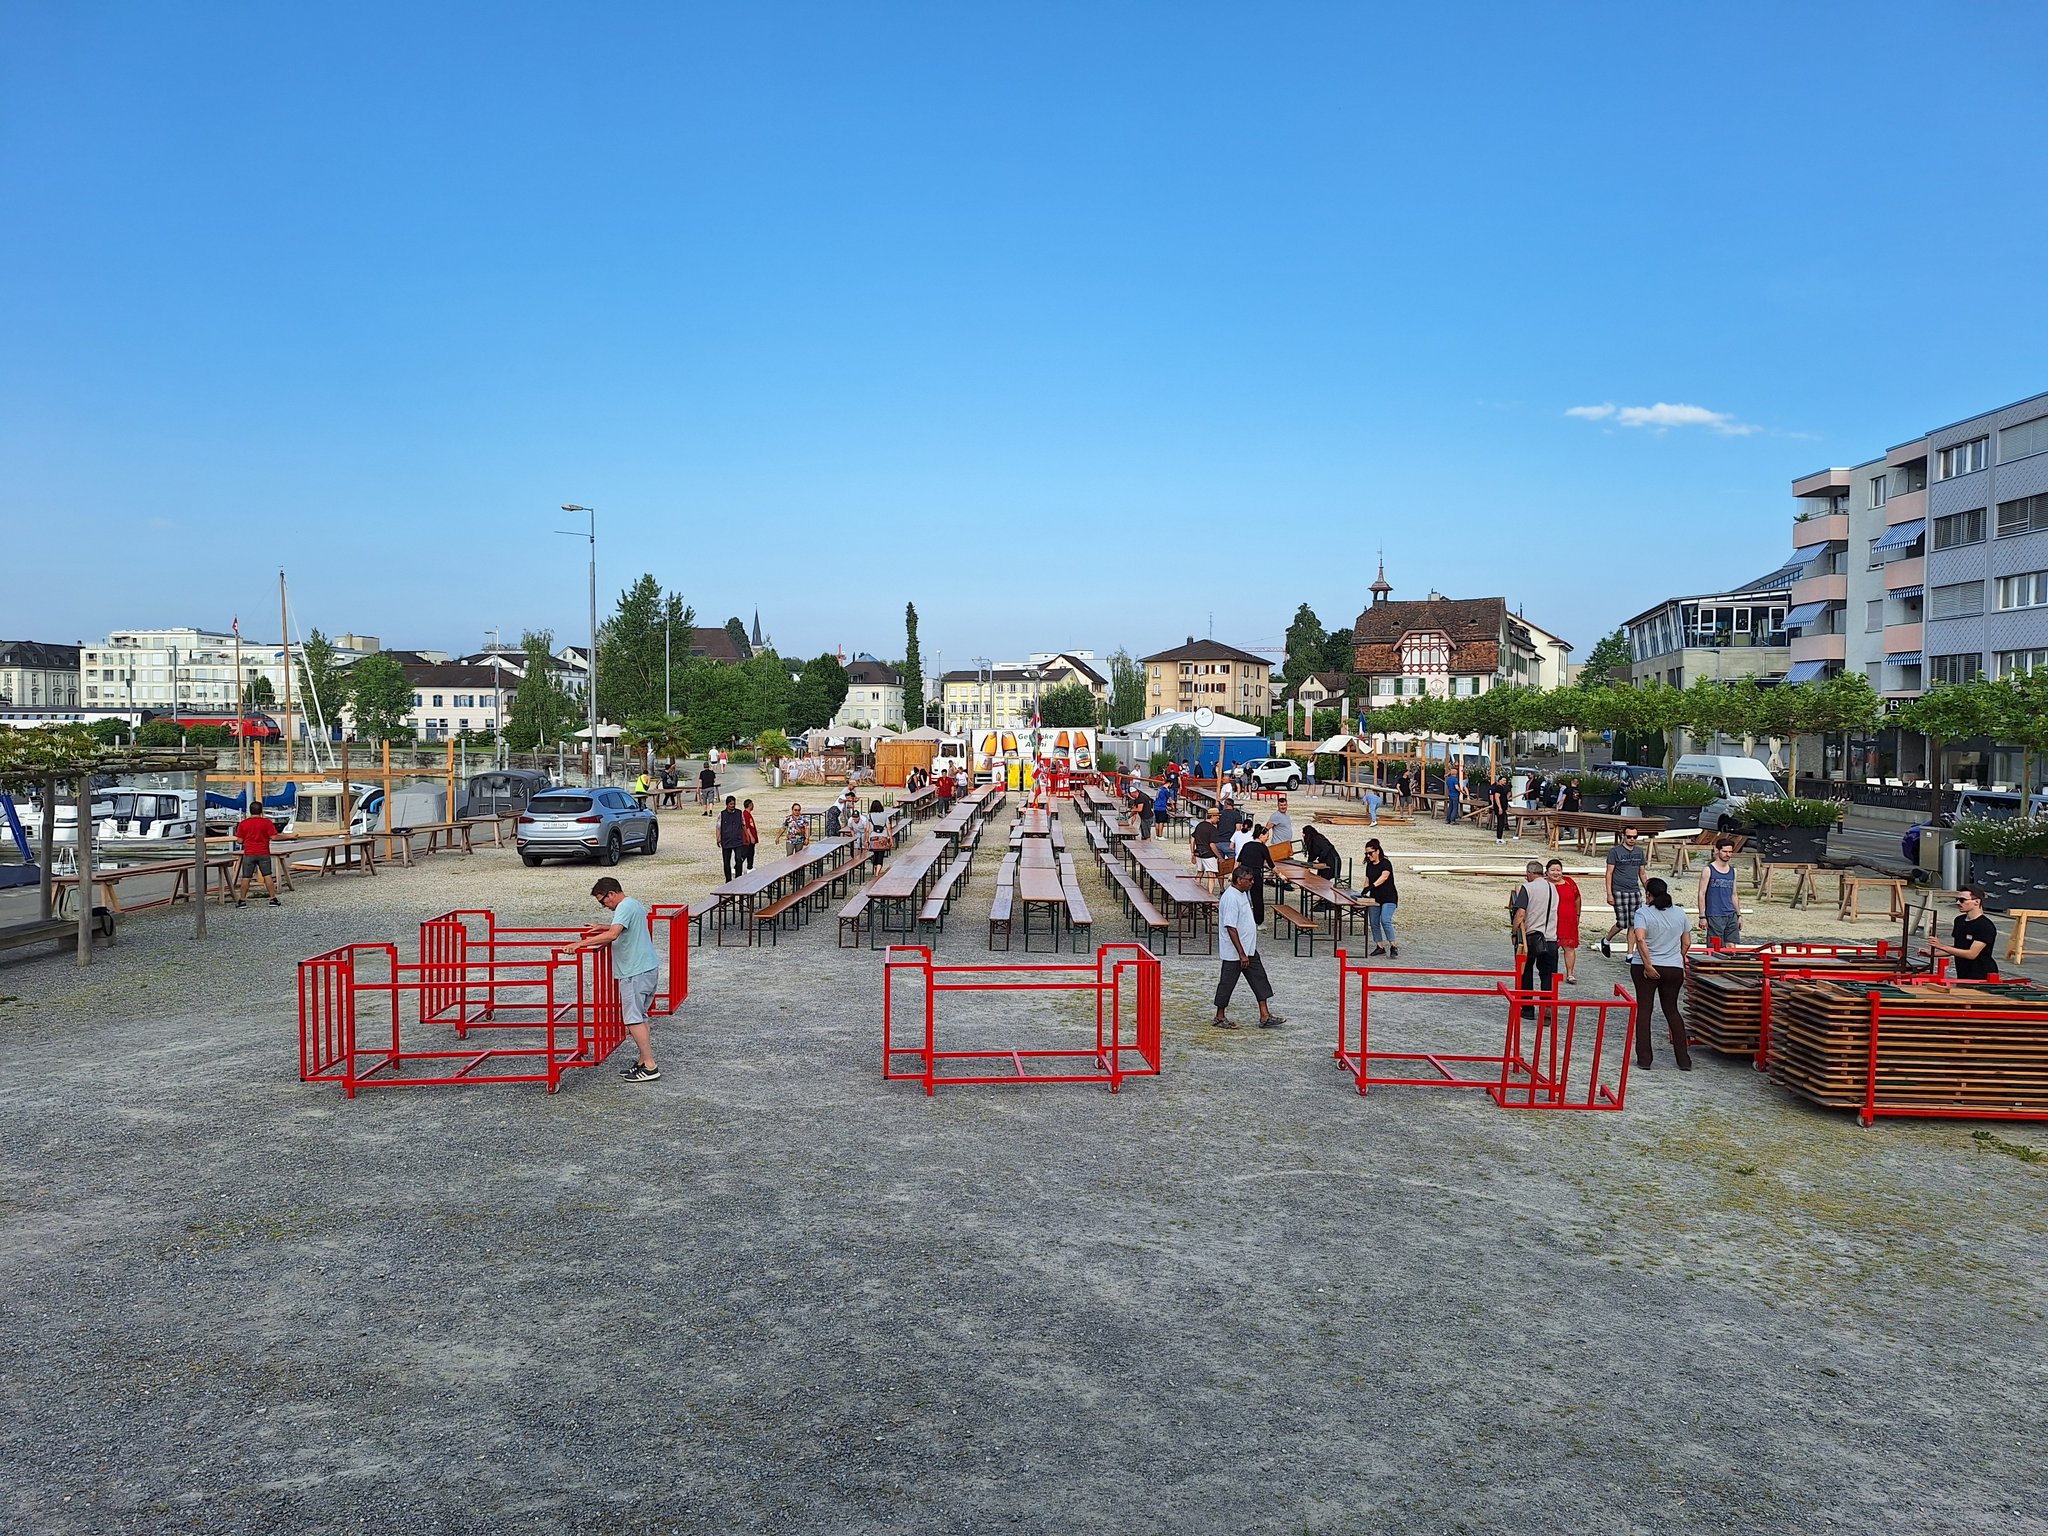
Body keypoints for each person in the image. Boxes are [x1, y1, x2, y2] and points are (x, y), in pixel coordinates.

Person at [573, 877, 662, 1082]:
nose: (604, 906)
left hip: (634, 971)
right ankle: (643, 1061)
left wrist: (579, 944)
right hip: (646, 967)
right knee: (640, 1016)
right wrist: (602, 926)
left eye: (603, 901)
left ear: (611, 894)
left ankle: (650, 1065)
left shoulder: (623, 907)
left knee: (633, 1019)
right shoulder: (633, 904)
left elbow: (613, 935)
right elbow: (622, 928)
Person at [1629, 876, 1693, 1070]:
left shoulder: (1643, 913)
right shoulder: (1680, 913)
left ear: (1648, 894)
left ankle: (1645, 1059)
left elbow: (1640, 939)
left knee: (1645, 1010)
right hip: (1673, 967)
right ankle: (1683, 1059)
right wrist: (1676, 957)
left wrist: (1648, 965)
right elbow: (1687, 942)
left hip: (1646, 966)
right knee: (1672, 1011)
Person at [1213, 864, 1285, 1029]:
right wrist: (1241, 954)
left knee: (1259, 979)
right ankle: (1219, 1016)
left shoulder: (1242, 893)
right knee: (1227, 983)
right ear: (1239, 880)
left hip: (1248, 948)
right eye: (1249, 880)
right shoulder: (1231, 898)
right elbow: (1230, 927)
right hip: (1235, 952)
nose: (1252, 882)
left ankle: (1265, 1015)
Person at [1510, 860, 1559, 1018]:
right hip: (1550, 937)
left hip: (1532, 937)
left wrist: (1514, 932)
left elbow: (1520, 913)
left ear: (1530, 873)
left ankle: (1527, 1009)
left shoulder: (1528, 888)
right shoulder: (1553, 888)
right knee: (1548, 976)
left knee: (1526, 972)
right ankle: (1546, 1010)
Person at [1923, 886, 2000, 980]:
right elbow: (1958, 947)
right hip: (1963, 974)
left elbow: (1971, 954)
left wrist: (1941, 946)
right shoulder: (1959, 920)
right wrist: (1933, 953)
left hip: (1982, 975)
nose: (1958, 903)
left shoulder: (1985, 926)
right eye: (1957, 899)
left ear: (1976, 902)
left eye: (1962, 900)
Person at [1600, 826, 1650, 958]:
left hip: (1634, 890)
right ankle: (1606, 940)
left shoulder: (1639, 852)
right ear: (1623, 836)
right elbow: (1609, 873)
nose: (1632, 839)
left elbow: (1642, 873)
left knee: (1634, 923)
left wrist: (1648, 890)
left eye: (1635, 837)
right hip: (1619, 890)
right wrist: (1609, 893)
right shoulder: (1615, 852)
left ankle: (1629, 954)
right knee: (1622, 922)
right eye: (1629, 836)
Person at [231, 805, 283, 907]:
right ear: (261, 811)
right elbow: (274, 837)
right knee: (267, 875)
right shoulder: (267, 823)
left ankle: (242, 900)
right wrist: (290, 836)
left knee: (246, 877)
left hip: (249, 853)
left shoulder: (243, 823)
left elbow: (240, 840)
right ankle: (273, 899)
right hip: (263, 852)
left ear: (250, 811)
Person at [1696, 837, 1743, 947]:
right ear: (1717, 850)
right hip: (1714, 914)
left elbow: (1734, 894)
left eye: (1730, 852)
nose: (1728, 854)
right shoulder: (1708, 870)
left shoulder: (1733, 871)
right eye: (1725, 851)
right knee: (1715, 947)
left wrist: (1739, 915)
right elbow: (1701, 893)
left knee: (1731, 946)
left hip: (1731, 914)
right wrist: (1702, 916)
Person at [1545, 857, 1581, 983]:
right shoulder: (1544, 884)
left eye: (1558, 870)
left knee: (1569, 947)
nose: (1556, 873)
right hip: (1550, 920)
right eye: (1553, 870)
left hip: (1568, 920)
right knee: (1550, 948)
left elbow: (1577, 898)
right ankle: (1549, 973)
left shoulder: (1569, 882)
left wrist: (1578, 915)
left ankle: (1570, 974)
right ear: (1547, 872)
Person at [1361, 839, 1398, 957]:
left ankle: (1393, 945)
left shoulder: (1385, 863)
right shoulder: (1369, 865)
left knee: (1385, 920)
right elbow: (1367, 879)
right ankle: (1380, 946)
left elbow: (1384, 877)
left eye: (1370, 853)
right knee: (1373, 922)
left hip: (1388, 897)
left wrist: (1372, 886)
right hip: (1375, 898)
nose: (1368, 856)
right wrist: (1364, 890)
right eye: (1366, 853)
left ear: (1377, 851)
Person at [1236, 823, 1274, 924]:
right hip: (1255, 875)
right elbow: (1271, 864)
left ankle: (1240, 918)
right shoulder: (1263, 848)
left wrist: (1233, 873)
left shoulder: (1247, 845)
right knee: (1257, 898)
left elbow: (1238, 860)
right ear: (1261, 835)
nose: (1267, 838)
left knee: (1241, 896)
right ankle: (1258, 921)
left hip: (1243, 874)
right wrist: (1280, 874)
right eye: (1267, 836)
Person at [715, 795, 746, 881]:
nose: (733, 805)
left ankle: (738, 878)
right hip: (726, 840)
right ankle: (728, 879)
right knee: (726, 861)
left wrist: (747, 836)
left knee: (739, 859)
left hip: (737, 840)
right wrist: (718, 838)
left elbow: (743, 825)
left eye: (734, 804)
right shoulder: (722, 814)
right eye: (731, 804)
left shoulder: (739, 813)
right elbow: (718, 827)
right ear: (727, 804)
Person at [1191, 806, 1222, 876]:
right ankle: (1209, 885)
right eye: (1217, 818)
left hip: (1199, 853)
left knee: (1199, 873)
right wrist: (1219, 857)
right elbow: (1212, 845)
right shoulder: (1212, 829)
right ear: (1212, 816)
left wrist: (1192, 853)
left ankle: (1196, 883)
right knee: (1211, 875)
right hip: (1209, 855)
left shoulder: (1199, 825)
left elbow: (1192, 839)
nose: (1218, 820)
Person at [867, 799, 892, 871]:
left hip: (873, 836)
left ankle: (875, 869)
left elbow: (867, 829)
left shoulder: (869, 815)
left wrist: (866, 839)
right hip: (883, 836)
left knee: (875, 854)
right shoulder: (884, 815)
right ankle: (877, 872)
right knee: (881, 855)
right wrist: (890, 838)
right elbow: (888, 828)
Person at [1268, 797, 1295, 863]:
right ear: (1278, 806)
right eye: (1281, 805)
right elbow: (1267, 828)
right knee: (1280, 864)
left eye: (1284, 805)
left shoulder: (1287, 815)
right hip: (1279, 845)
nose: (1283, 807)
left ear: (1287, 805)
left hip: (1286, 844)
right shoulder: (1275, 816)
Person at [1489, 774, 1512, 844]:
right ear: (1499, 781)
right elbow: (1496, 797)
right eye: (1503, 780)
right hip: (1500, 807)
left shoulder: (1503, 787)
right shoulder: (1498, 787)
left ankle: (1500, 837)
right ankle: (1499, 838)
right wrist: (1499, 807)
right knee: (1500, 822)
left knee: (1501, 822)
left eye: (1505, 780)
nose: (1505, 781)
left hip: (1503, 807)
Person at [740, 798, 760, 870]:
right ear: (750, 805)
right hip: (748, 838)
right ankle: (737, 866)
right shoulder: (745, 814)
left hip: (751, 836)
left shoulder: (748, 814)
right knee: (745, 852)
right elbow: (747, 827)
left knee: (751, 853)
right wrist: (751, 837)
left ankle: (750, 867)